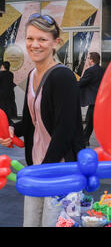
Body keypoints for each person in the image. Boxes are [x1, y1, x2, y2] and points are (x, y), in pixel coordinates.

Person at [0, 13, 84, 227]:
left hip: (61, 170)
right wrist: (13, 132)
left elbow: (64, 131)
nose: (34, 45)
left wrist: (43, 171)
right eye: (30, 38)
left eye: (42, 39)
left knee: (55, 223)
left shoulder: (63, 76)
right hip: (38, 166)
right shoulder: (31, 75)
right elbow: (30, 121)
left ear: (56, 42)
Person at [78, 52, 105, 147]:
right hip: (100, 99)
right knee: (92, 121)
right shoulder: (102, 70)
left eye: (88, 58)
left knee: (90, 121)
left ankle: (85, 140)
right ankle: (85, 139)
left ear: (91, 60)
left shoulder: (90, 71)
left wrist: (72, 84)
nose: (87, 60)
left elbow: (82, 83)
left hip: (93, 100)